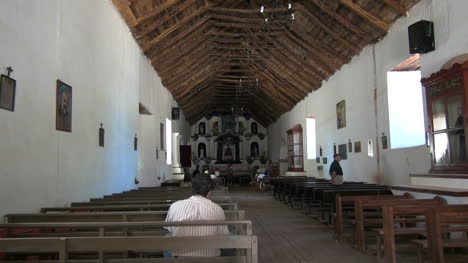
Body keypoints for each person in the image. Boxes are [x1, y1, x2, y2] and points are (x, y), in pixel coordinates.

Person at [165, 174, 229, 257]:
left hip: (181, 258)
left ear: (192, 188)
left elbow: (170, 229)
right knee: (231, 238)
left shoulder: (175, 206)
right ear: (209, 192)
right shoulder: (217, 209)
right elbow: (223, 236)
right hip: (210, 258)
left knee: (167, 237)